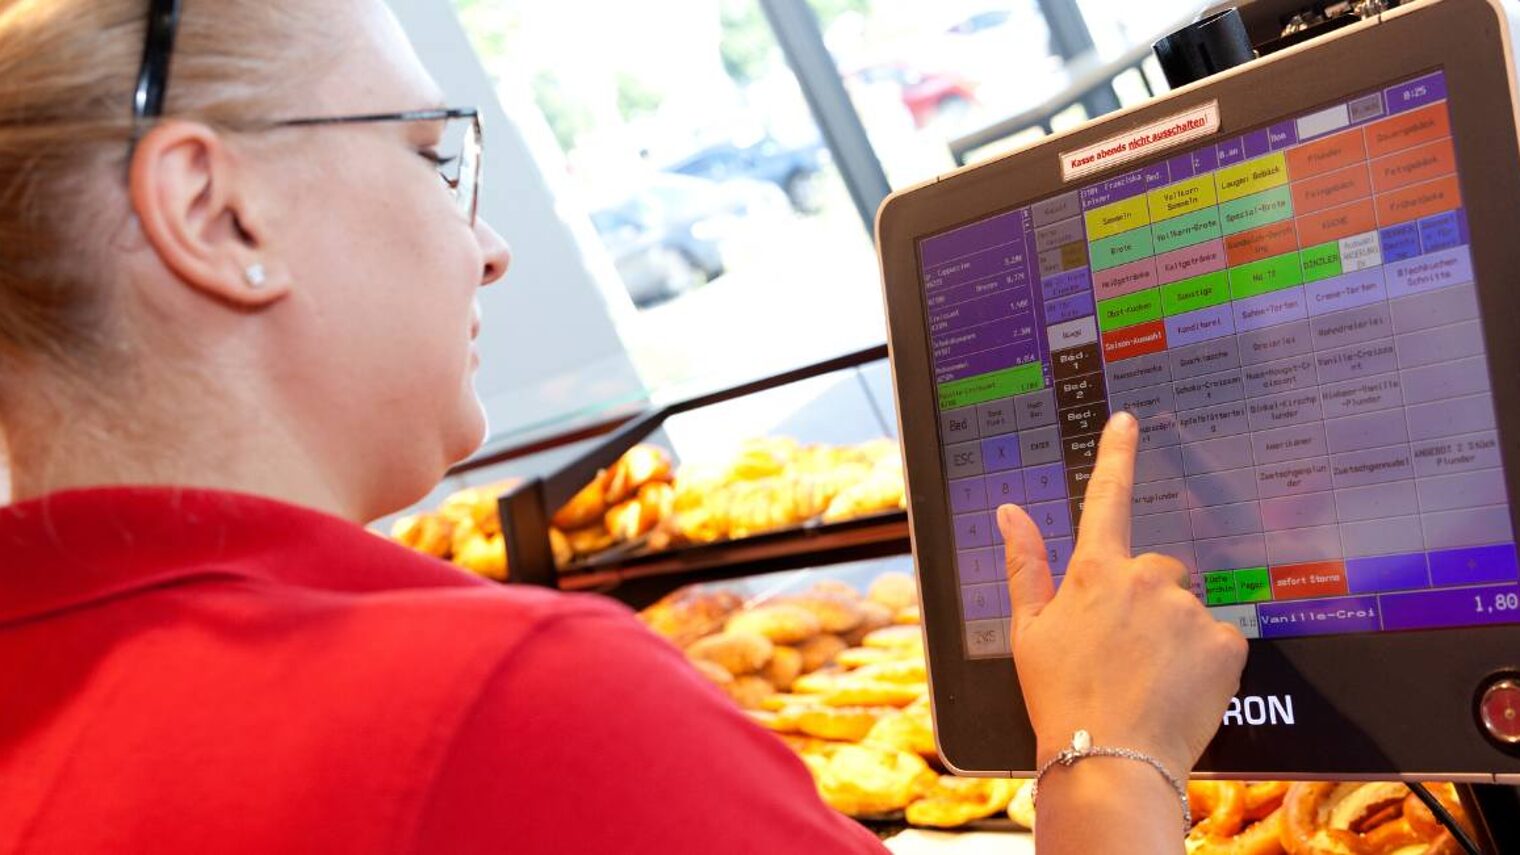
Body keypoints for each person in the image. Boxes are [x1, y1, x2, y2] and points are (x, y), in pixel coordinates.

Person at [0, 1, 1245, 852]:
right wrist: (1108, 756)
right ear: (214, 215)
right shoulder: (504, 708)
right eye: (435, 159)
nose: (485, 250)